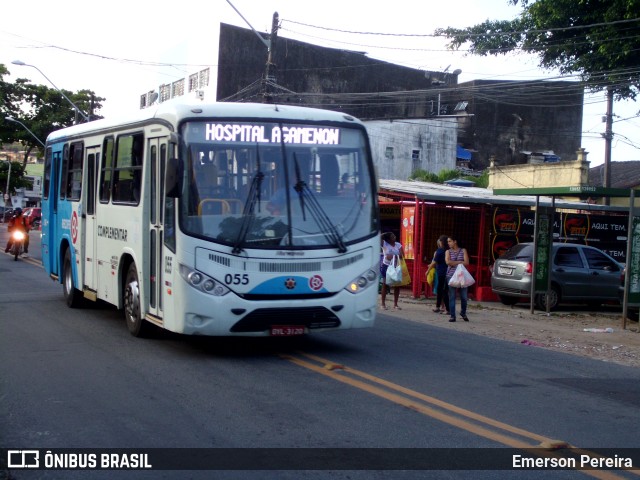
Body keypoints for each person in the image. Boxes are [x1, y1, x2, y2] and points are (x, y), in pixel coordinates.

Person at [445, 234, 469, 322]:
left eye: (450, 241)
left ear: (455, 241)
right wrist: (460, 262)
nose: (448, 243)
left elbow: (466, 262)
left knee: (464, 296)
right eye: (448, 242)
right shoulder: (448, 251)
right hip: (451, 275)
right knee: (452, 296)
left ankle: (463, 312)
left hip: (461, 276)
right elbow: (448, 262)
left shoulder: (463, 250)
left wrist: (454, 262)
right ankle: (452, 315)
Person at [426, 235, 450, 315]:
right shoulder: (448, 250)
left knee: (442, 290)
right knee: (442, 290)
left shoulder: (440, 251)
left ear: (441, 242)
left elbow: (434, 262)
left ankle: (446, 308)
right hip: (448, 272)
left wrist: (428, 270)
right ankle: (438, 307)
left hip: (442, 273)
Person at [380, 231, 404, 310]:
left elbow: (402, 255)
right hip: (386, 266)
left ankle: (395, 304)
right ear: (388, 239)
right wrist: (385, 234)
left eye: (394, 235)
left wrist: (393, 256)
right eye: (392, 236)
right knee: (385, 284)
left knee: (397, 284)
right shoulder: (384, 244)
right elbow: (379, 237)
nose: (394, 237)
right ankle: (383, 304)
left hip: (396, 266)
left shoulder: (398, 245)